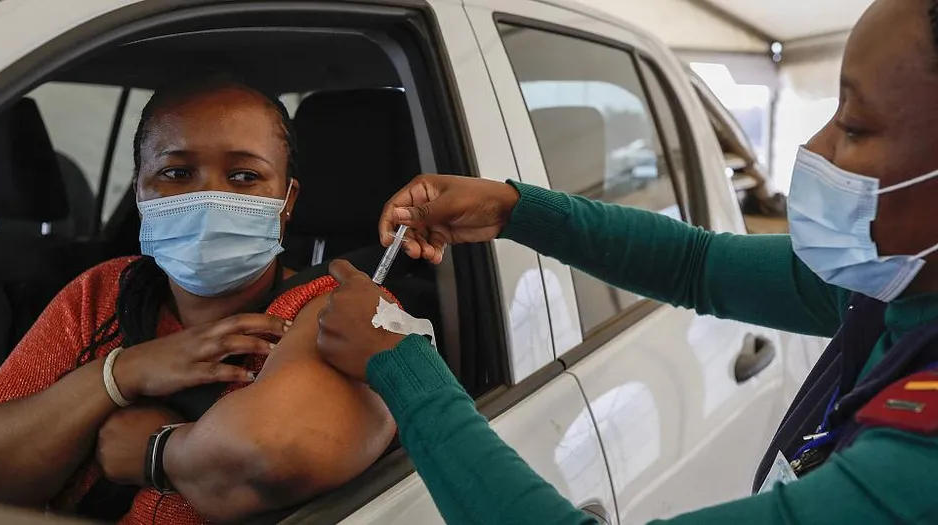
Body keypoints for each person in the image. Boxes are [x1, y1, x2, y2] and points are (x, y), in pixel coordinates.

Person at [315, 0, 938, 523]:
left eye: (855, 126)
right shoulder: (895, 293)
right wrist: (513, 209)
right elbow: (697, 264)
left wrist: (401, 365)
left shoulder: (918, 472)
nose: (816, 146)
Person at [0, 74, 397, 524]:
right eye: (177, 173)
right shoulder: (105, 293)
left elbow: (272, 454)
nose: (209, 198)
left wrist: (154, 451)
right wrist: (121, 373)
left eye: (244, 176)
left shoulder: (337, 309)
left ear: (287, 199)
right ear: (140, 190)